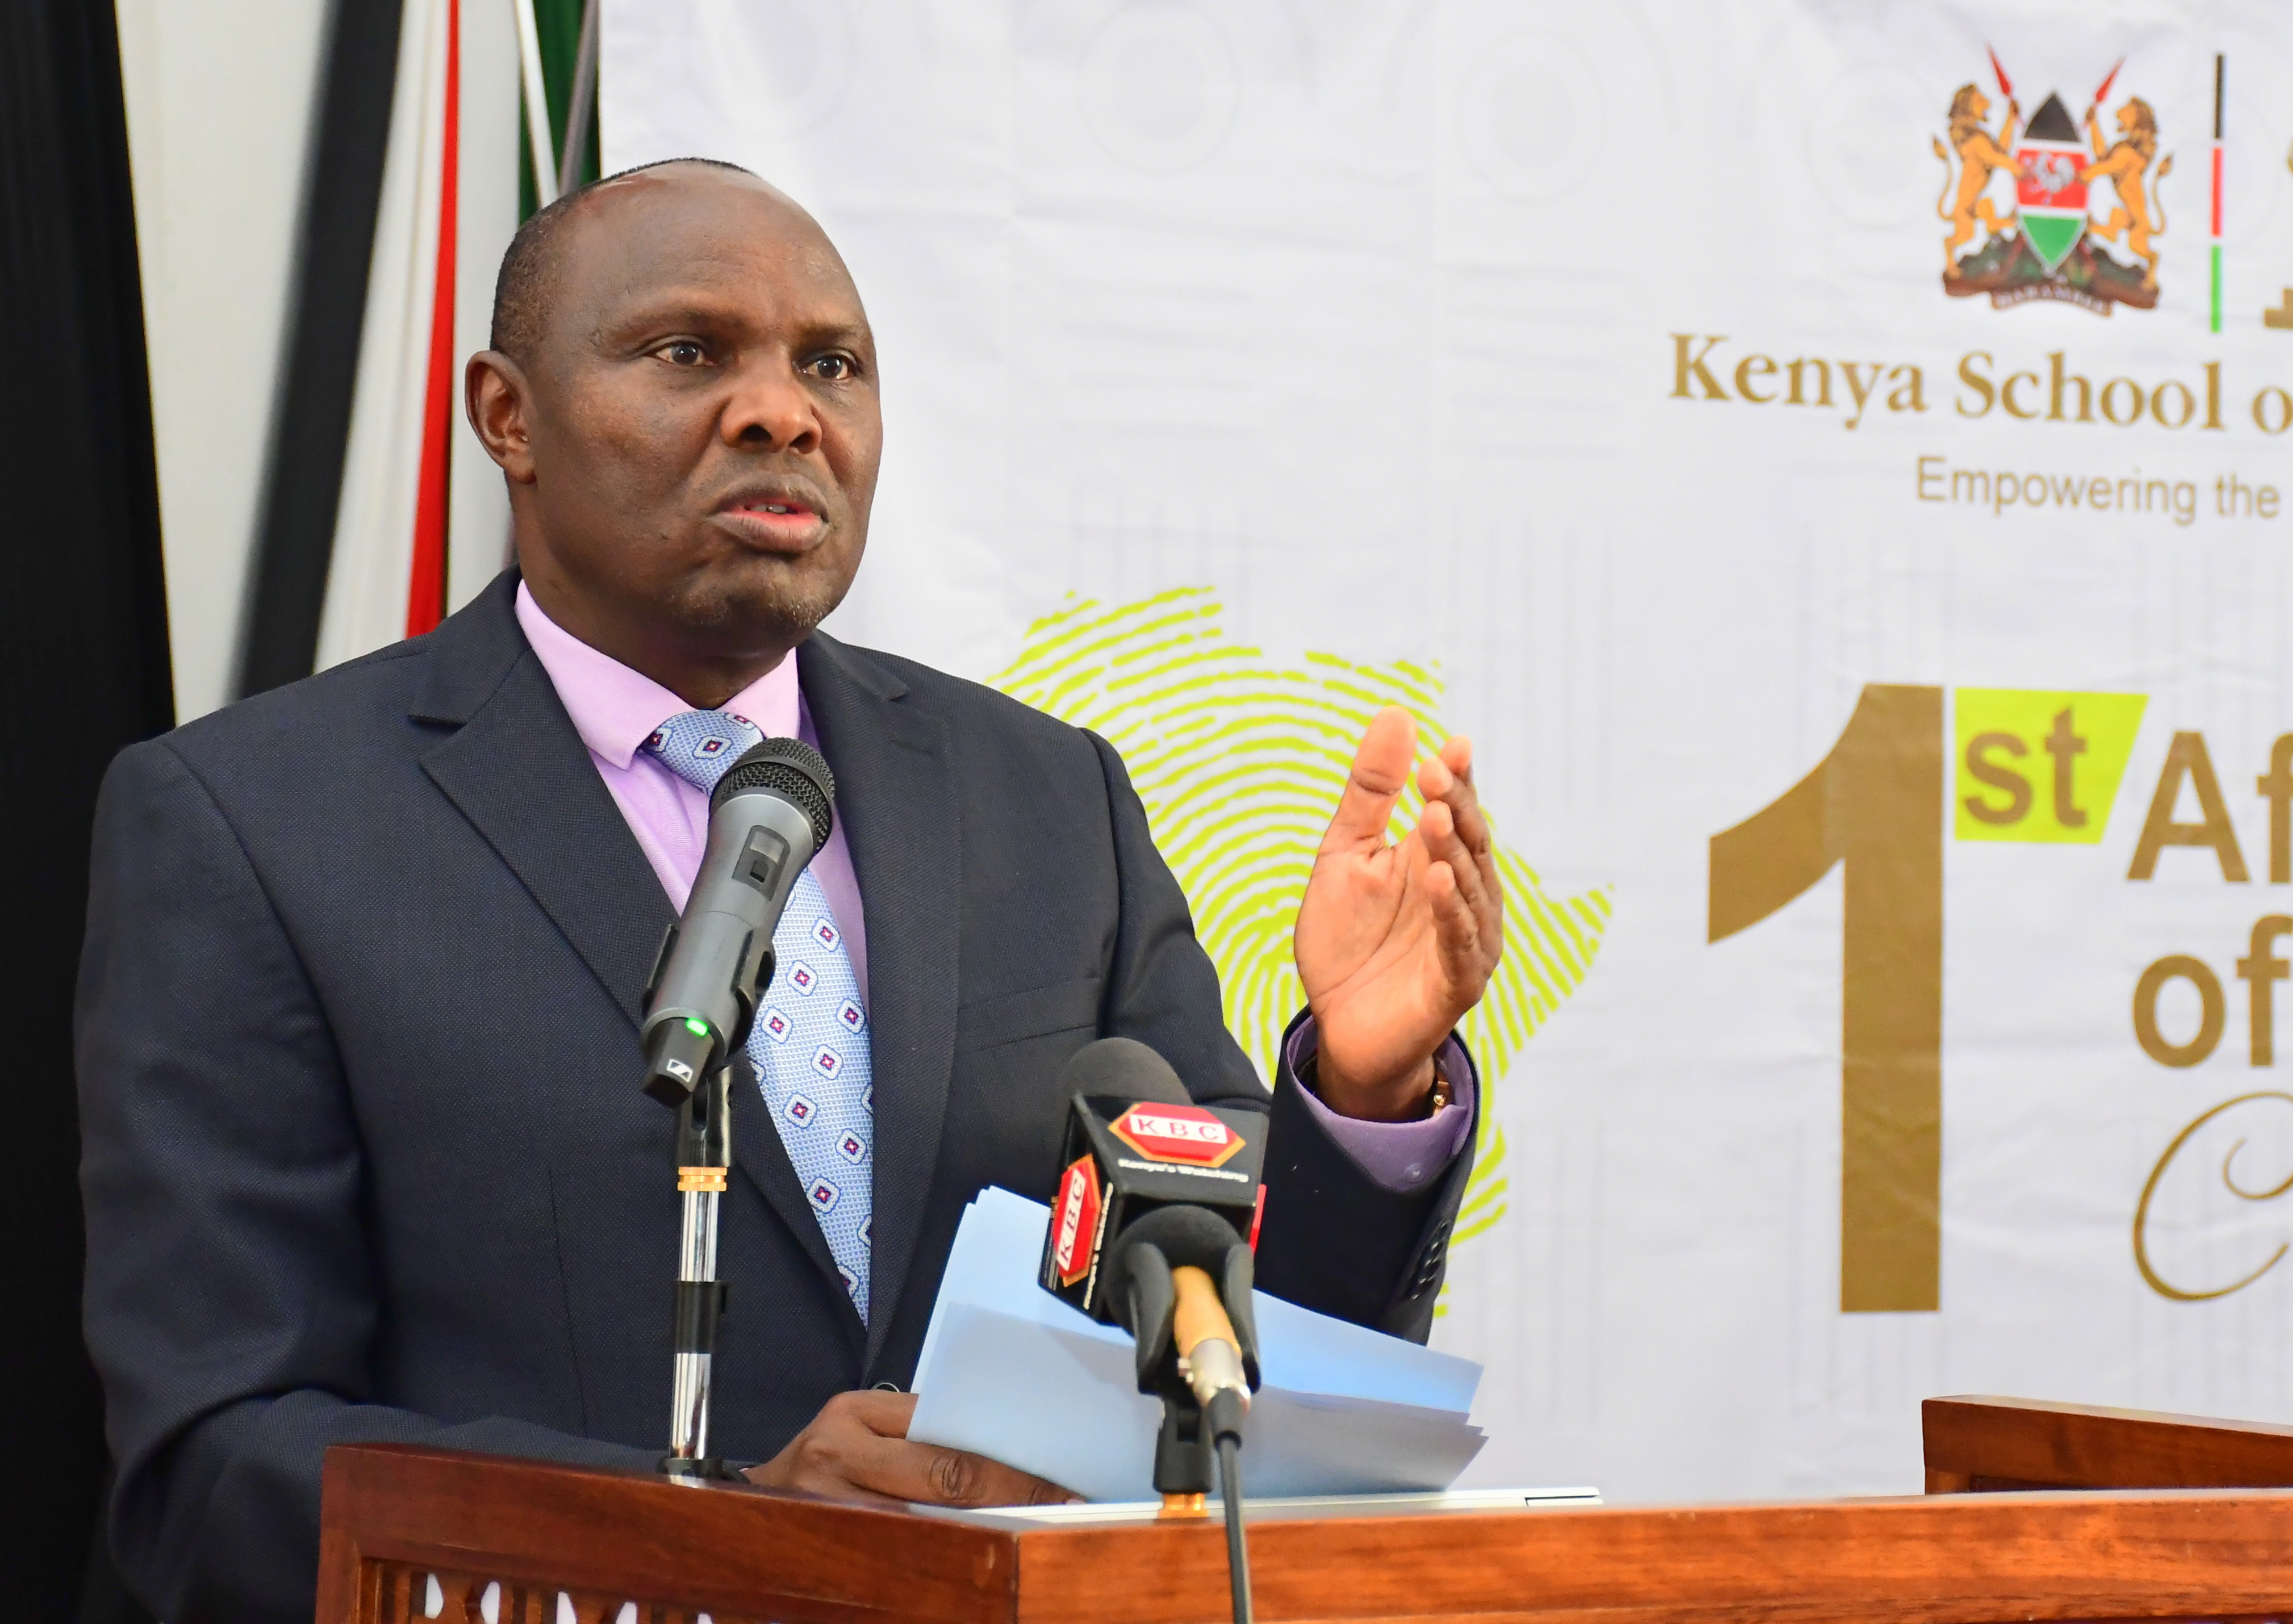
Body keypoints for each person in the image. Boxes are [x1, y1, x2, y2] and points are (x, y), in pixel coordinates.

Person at [77, 159, 1505, 1623]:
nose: (782, 412)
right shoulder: (254, 822)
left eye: (832, 365)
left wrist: (1364, 1090)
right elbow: (218, 1460)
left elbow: (1222, 1330)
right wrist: (727, 1536)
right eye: (688, 353)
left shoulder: (1043, 795)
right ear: (509, 415)